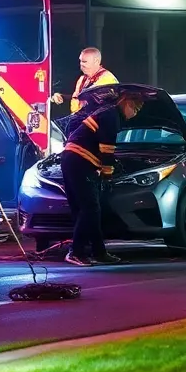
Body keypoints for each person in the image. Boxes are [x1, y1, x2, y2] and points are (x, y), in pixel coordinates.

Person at [60, 90, 145, 266]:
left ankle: (98, 252)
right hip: (79, 160)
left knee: (88, 209)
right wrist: (108, 174)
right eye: (135, 108)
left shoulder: (108, 112)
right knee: (90, 208)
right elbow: (107, 150)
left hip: (74, 159)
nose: (135, 113)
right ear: (126, 102)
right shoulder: (111, 115)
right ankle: (76, 252)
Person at [52, 47, 118, 113]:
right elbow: (78, 98)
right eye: (80, 61)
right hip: (77, 119)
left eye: (84, 62)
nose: (81, 64)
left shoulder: (107, 79)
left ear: (96, 62)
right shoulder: (83, 78)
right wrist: (62, 97)